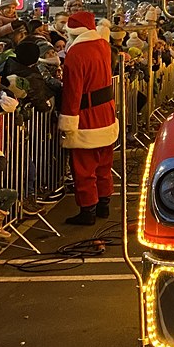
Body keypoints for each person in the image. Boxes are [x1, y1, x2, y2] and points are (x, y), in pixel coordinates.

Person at [58, 12, 118, 226]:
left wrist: (68, 121)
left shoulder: (76, 53)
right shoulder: (103, 45)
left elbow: (73, 92)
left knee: (84, 167)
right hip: (106, 113)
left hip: (87, 116)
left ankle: (88, 210)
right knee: (104, 164)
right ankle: (104, 204)